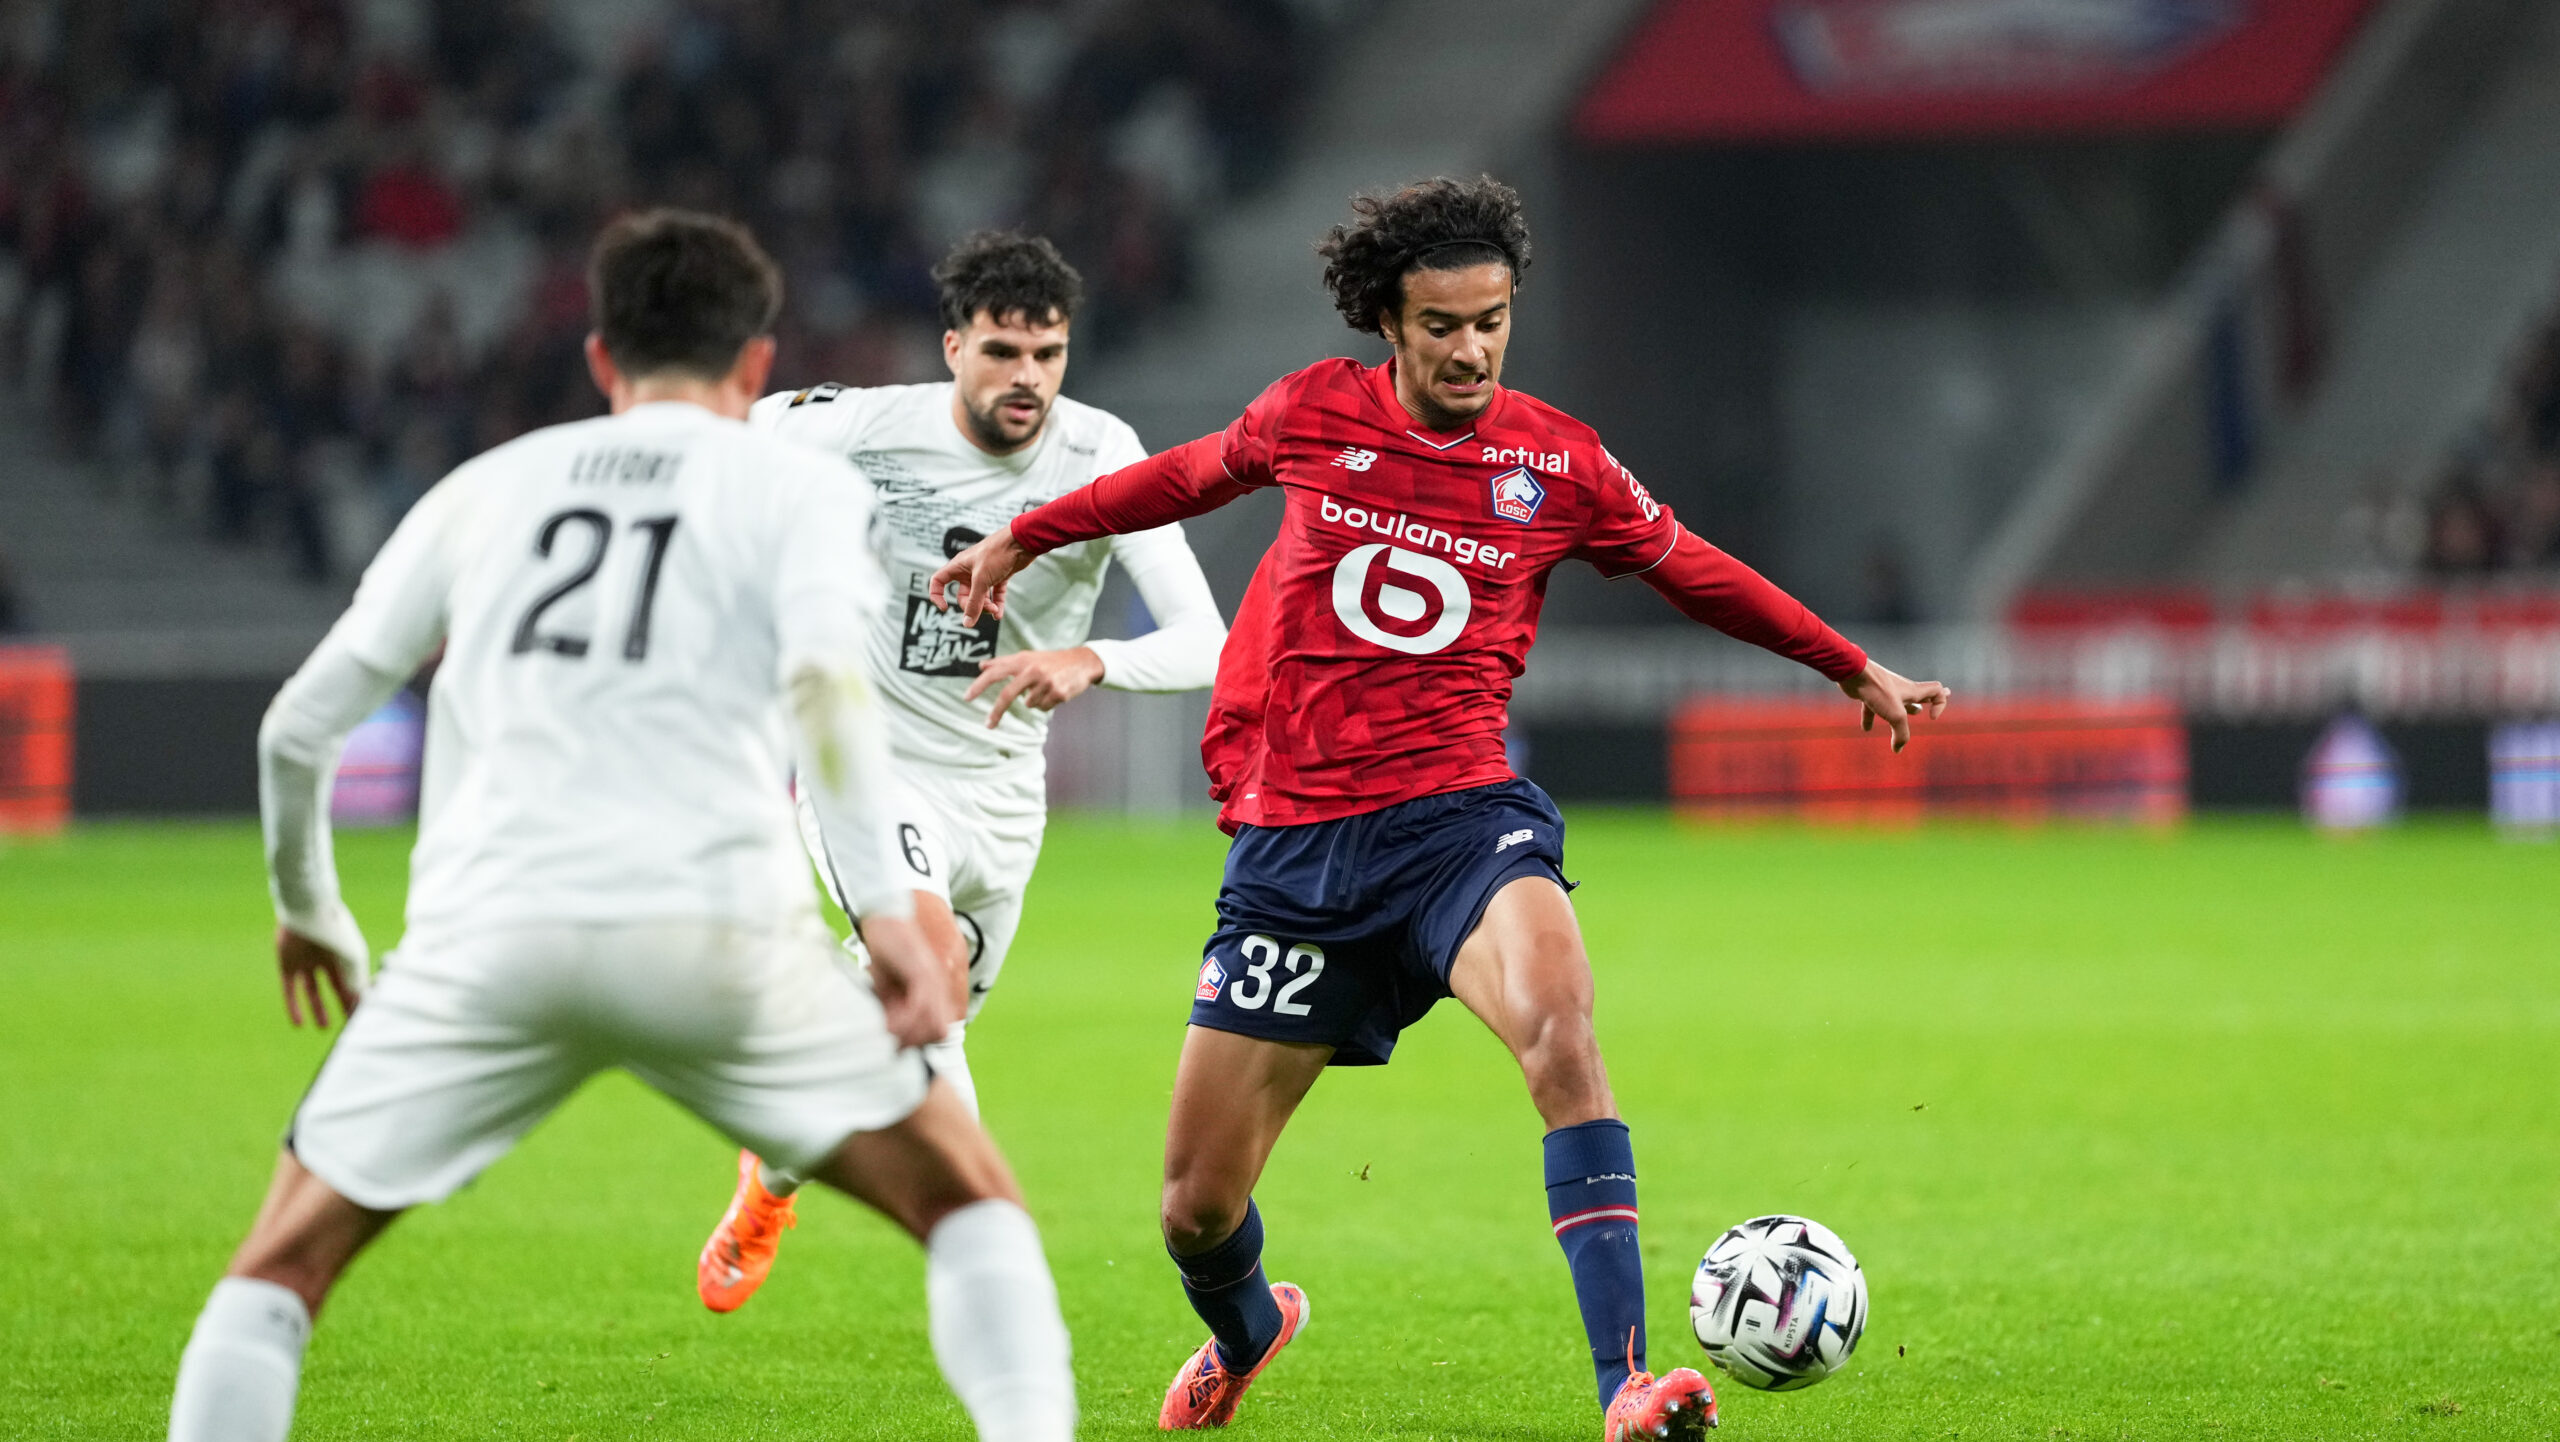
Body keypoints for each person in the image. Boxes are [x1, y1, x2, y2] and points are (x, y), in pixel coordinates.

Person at [932, 176, 1951, 1439]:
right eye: (1442, 325)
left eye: (1492, 320)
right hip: (1293, 850)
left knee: (1562, 1032)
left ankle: (1625, 1386)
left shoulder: (1557, 459)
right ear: (1389, 324)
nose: (1471, 348)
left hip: (1461, 822)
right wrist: (1023, 537)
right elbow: (1181, 479)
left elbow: (1692, 566)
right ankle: (1252, 1326)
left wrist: (1847, 661)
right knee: (1193, 1206)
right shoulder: (1310, 412)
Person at [167, 210, 1077, 1442]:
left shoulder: (487, 486)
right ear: (756, 365)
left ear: (601, 358)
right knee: (974, 1213)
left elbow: (296, 729)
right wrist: (892, 923)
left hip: (486, 941)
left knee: (277, 1270)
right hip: (713, 937)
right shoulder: (793, 486)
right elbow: (826, 694)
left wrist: (311, 908)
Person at [693, 229, 1226, 1313]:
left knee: (911, 1015)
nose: (1025, 377)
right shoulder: (860, 426)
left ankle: (772, 1162)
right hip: (865, 759)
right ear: (952, 348)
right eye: (1000, 352)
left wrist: (1093, 658)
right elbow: (708, 438)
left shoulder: (1102, 451)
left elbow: (1206, 638)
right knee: (924, 980)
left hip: (1002, 789)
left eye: (1046, 353)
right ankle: (990, 1260)